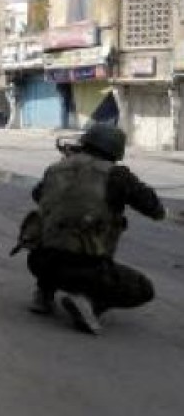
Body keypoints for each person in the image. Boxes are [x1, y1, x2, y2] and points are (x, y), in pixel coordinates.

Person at [22, 122, 165, 334]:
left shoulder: (55, 169)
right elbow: (155, 210)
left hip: (39, 261)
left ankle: (44, 293)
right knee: (144, 289)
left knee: (58, 233)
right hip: (86, 268)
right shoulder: (116, 175)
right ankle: (88, 303)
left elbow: (38, 196)